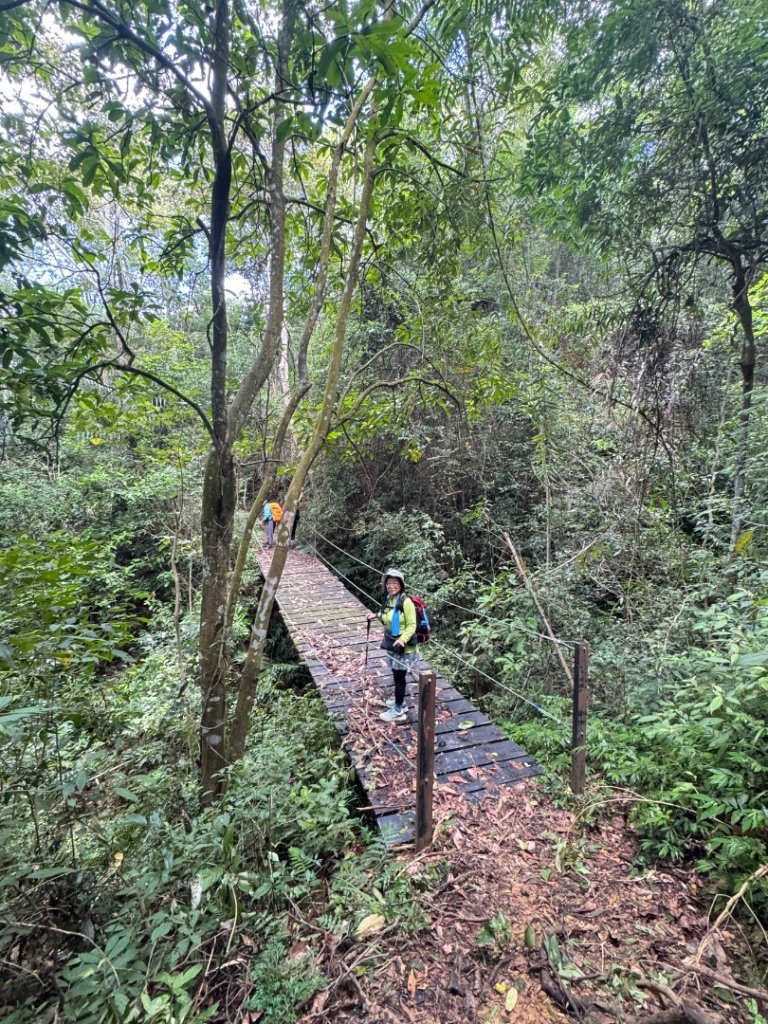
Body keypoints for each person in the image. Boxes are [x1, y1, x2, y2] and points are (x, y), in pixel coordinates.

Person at [367, 569, 418, 723]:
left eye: (395, 583)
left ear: (401, 585)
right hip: (392, 643)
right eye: (388, 583)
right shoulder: (389, 599)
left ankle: (398, 711)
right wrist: (375, 615)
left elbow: (412, 625)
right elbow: (387, 615)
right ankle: (400, 701)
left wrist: (403, 639)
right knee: (397, 675)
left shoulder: (406, 601)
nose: (391, 586)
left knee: (400, 677)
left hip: (404, 646)